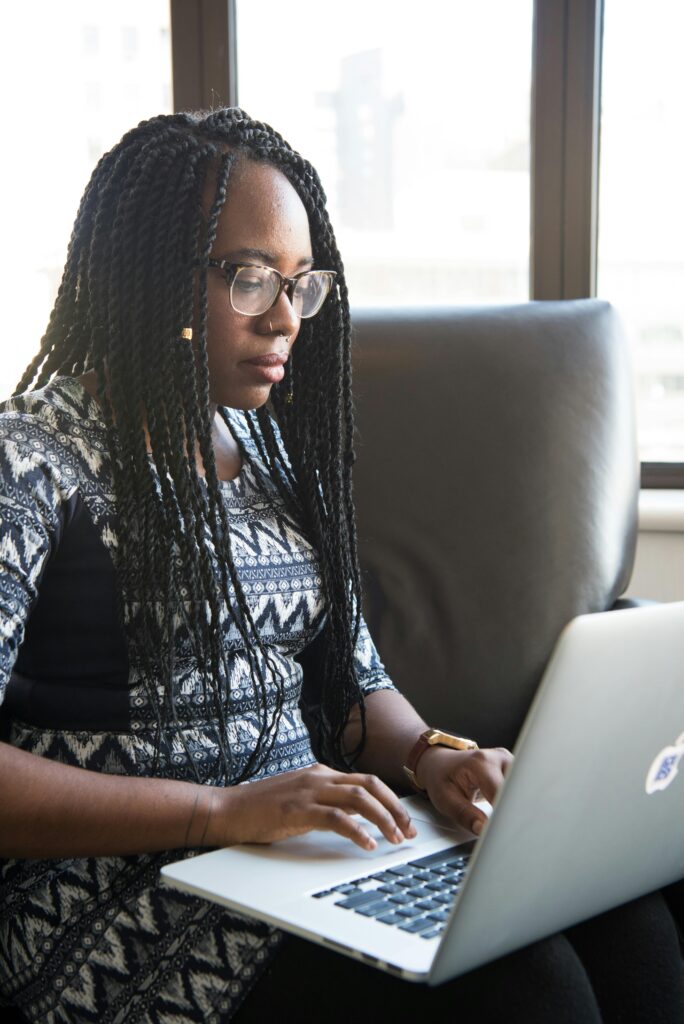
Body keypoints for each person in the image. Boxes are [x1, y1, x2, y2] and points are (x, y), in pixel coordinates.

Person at [0, 108, 681, 1024]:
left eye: (300, 283)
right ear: (146, 272)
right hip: (119, 901)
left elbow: (352, 680)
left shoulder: (275, 453)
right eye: (249, 280)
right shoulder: (31, 461)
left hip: (299, 860)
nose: (287, 318)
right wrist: (221, 812)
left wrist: (432, 754)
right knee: (530, 995)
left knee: (631, 923)